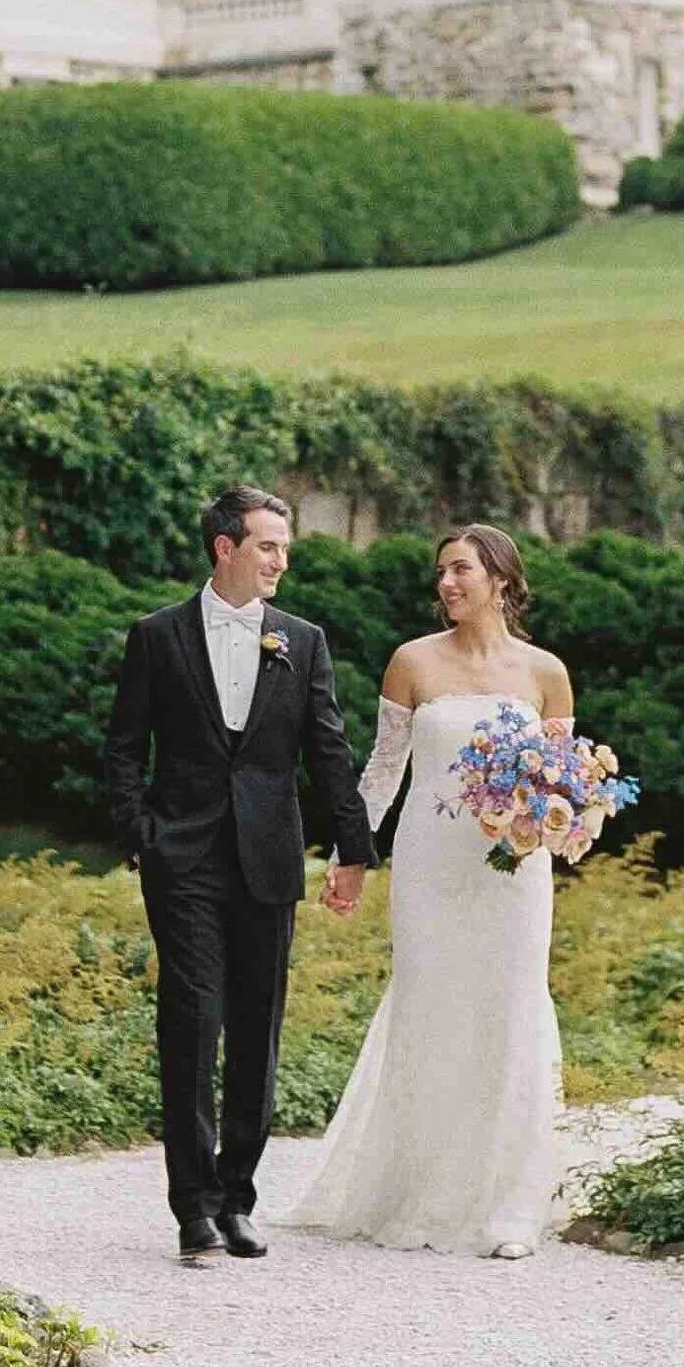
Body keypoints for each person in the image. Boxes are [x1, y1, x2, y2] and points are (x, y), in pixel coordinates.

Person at [285, 523, 576, 1260]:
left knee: (512, 1007)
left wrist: (559, 821)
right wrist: (352, 855)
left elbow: (563, 780)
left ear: (501, 580)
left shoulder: (546, 672)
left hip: (512, 871)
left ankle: (510, 1204)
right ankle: (423, 1193)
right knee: (430, 1004)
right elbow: (384, 770)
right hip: (430, 865)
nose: (446, 583)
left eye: (461, 570)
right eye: (441, 571)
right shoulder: (412, 661)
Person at [103, 485, 375, 1266]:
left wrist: (353, 850)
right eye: (268, 546)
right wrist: (140, 837)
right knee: (192, 1022)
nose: (281, 561)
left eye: (284, 548)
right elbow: (123, 747)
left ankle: (236, 1200)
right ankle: (192, 1207)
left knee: (258, 1029)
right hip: (182, 858)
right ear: (226, 547)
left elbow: (328, 750)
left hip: (268, 858)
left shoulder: (302, 641)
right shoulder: (157, 636)